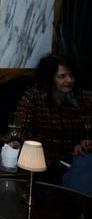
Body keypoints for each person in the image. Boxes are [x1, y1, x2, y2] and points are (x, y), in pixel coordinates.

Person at [14, 54, 92, 187]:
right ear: (49, 79)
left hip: (76, 161)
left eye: (71, 75)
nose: (69, 80)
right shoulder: (33, 97)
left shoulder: (85, 98)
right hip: (43, 160)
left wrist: (88, 142)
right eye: (62, 76)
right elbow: (22, 130)